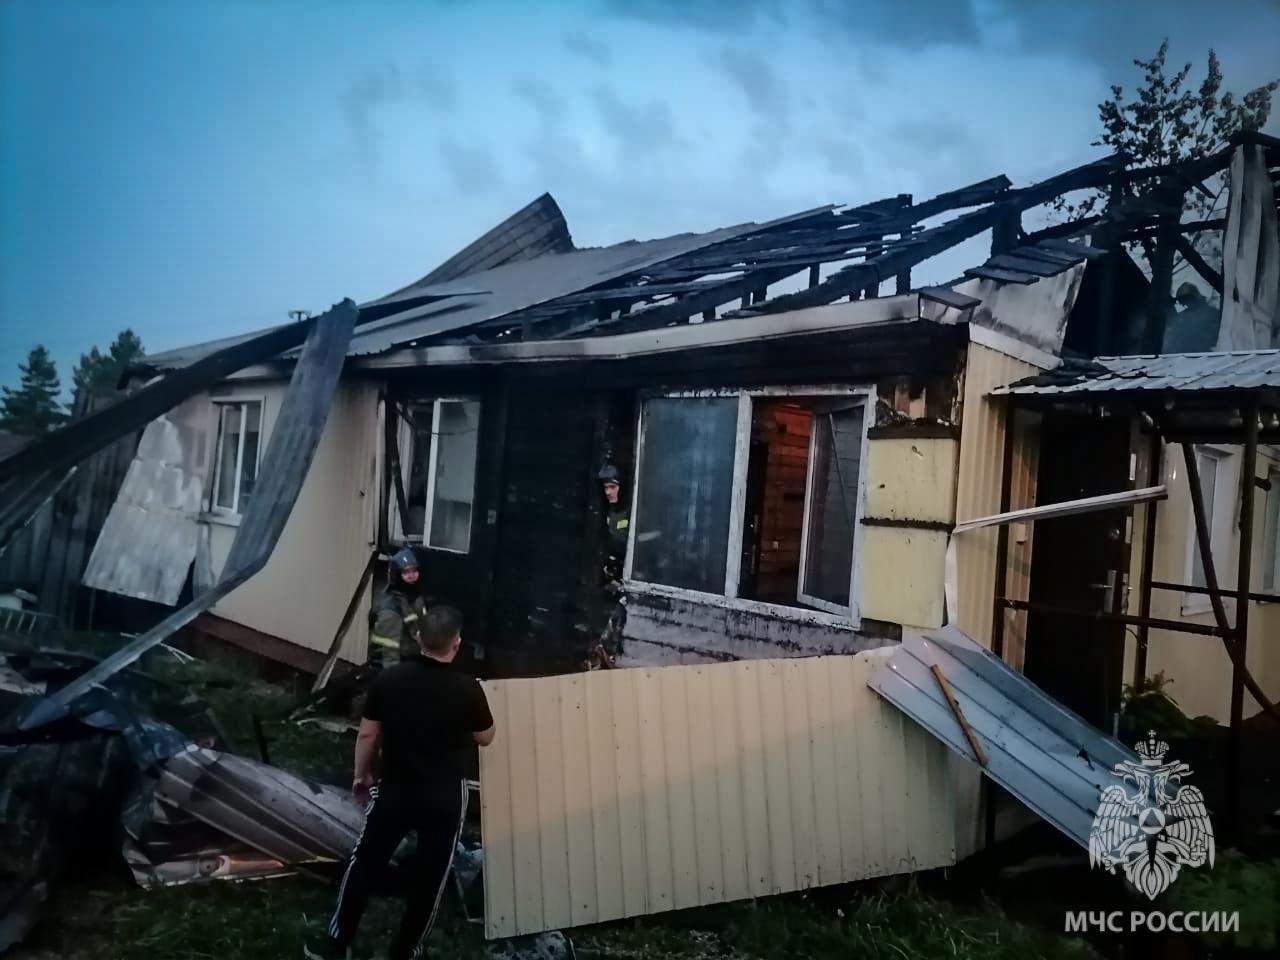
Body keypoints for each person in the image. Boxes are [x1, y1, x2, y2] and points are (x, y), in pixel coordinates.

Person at [306, 605, 495, 960]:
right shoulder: (468, 689)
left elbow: (366, 735)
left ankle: (336, 943)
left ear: (419, 638)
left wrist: (362, 776)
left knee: (365, 863)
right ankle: (406, 951)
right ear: (456, 643)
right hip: (444, 799)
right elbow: (486, 737)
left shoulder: (389, 680)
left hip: (394, 789)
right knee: (431, 878)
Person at [591, 465, 631, 668]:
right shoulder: (609, 512)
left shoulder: (632, 511)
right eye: (606, 488)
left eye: (613, 487)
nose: (609, 492)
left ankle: (607, 651)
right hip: (614, 573)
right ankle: (601, 654)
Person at [369, 547, 428, 665]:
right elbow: (389, 654)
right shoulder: (390, 608)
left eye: (414, 570)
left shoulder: (414, 597)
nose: (411, 575)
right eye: (405, 572)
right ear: (396, 575)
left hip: (412, 660)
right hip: (394, 665)